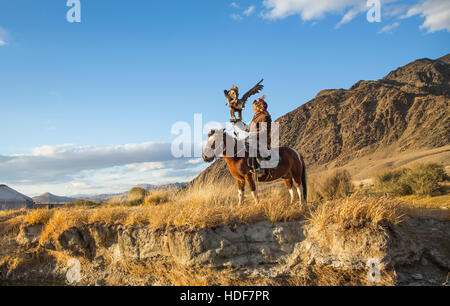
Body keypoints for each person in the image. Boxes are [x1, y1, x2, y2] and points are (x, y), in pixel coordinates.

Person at [247, 95, 272, 174]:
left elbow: (265, 130)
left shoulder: (265, 116)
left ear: (258, 108)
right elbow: (249, 128)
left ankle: (260, 167)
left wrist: (255, 133)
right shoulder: (255, 117)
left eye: (254, 107)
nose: (253, 109)